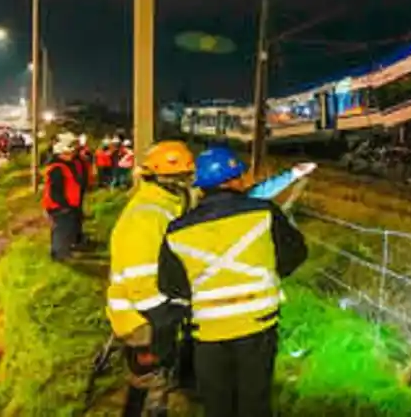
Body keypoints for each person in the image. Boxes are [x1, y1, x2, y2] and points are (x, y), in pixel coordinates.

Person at [155, 147, 308, 417]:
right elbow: (296, 253)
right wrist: (266, 272)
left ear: (201, 187)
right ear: (236, 179)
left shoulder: (177, 230)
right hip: (258, 324)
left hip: (208, 331)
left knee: (217, 405)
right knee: (255, 402)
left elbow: (170, 285)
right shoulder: (264, 212)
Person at [107, 141, 197, 417]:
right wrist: (165, 315)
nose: (189, 184)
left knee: (152, 384)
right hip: (143, 319)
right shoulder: (147, 216)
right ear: (165, 180)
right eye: (182, 178)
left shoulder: (164, 206)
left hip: (151, 315)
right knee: (149, 388)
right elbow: (139, 277)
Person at [42, 139, 83, 261]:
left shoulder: (63, 166)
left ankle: (60, 252)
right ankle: (60, 254)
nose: (71, 155)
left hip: (65, 205)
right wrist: (64, 205)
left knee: (62, 230)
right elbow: (56, 190)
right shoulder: (57, 168)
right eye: (67, 153)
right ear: (60, 154)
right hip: (59, 206)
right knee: (61, 230)